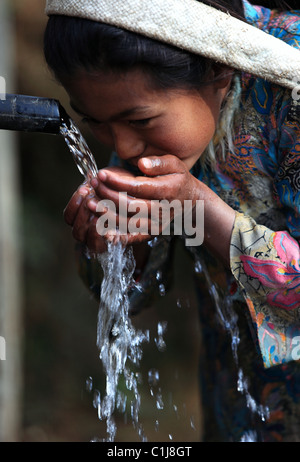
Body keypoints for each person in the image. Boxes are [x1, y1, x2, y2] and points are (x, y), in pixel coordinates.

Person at [43, 0, 300, 442]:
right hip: (241, 399)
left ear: (218, 68)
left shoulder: (288, 87)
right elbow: (133, 297)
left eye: (139, 120)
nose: (123, 147)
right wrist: (121, 246)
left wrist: (199, 207)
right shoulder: (143, 121)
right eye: (96, 123)